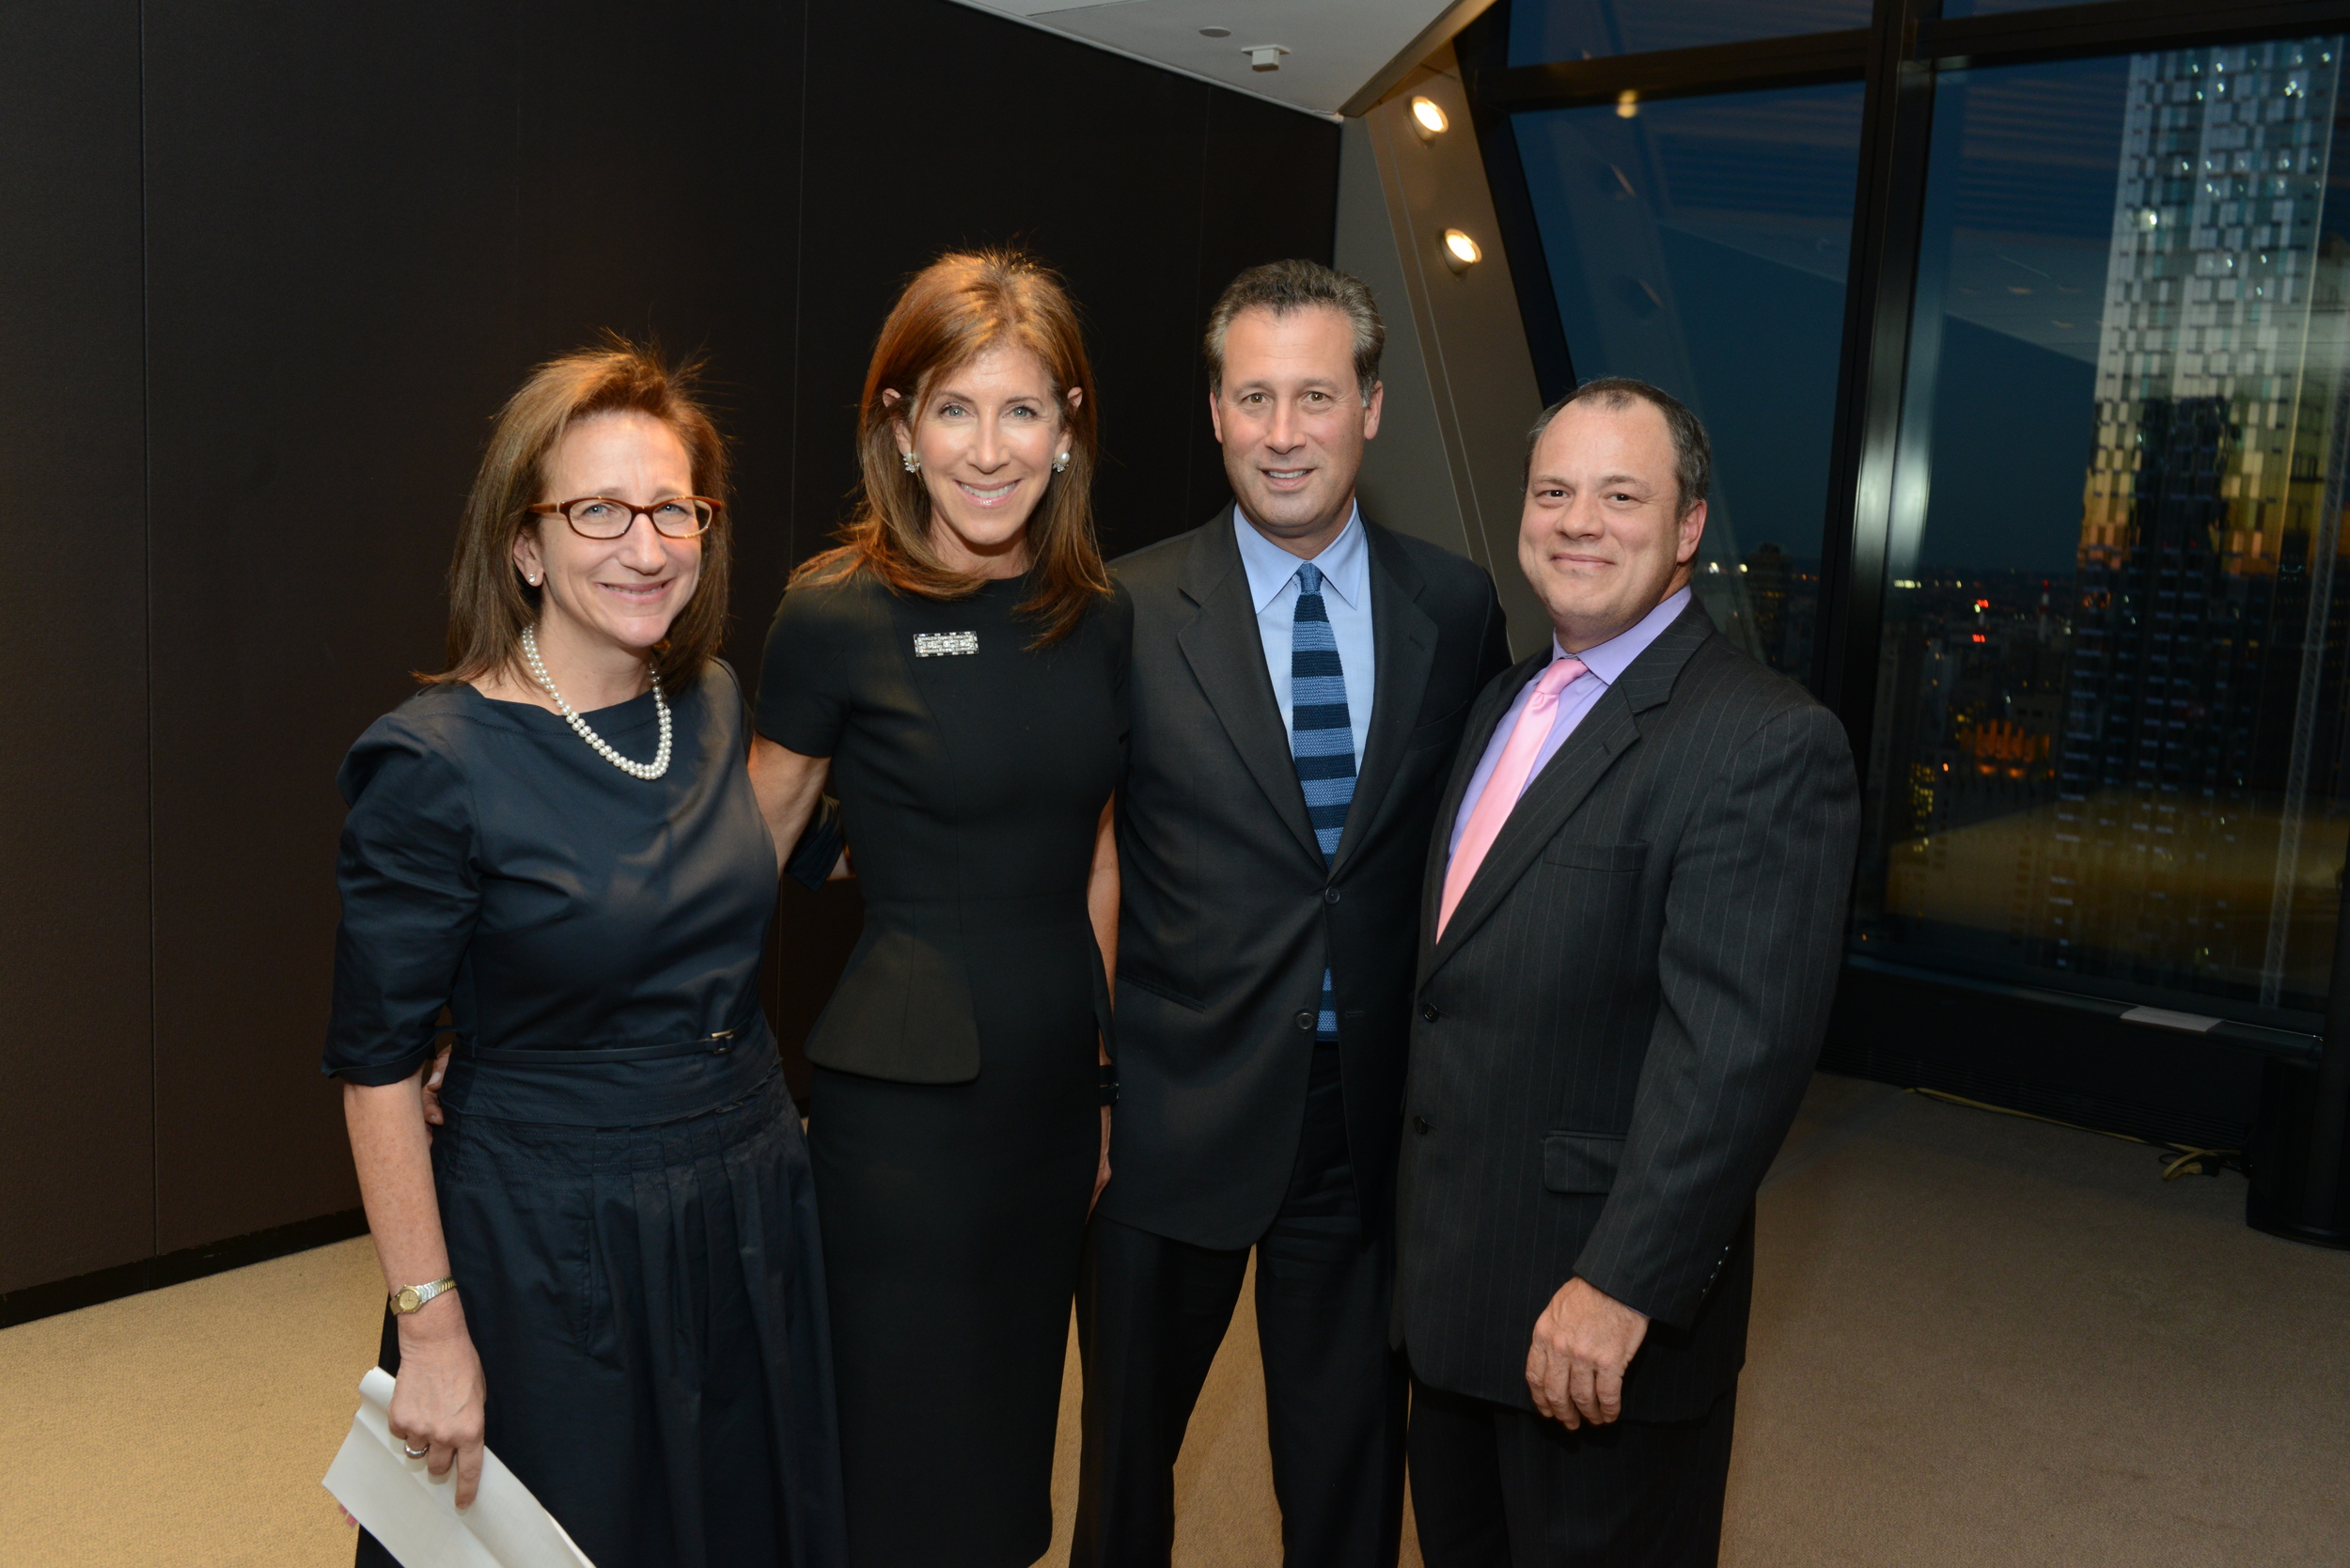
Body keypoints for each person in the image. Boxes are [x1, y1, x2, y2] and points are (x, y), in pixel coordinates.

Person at [326, 340, 848, 1568]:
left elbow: (758, 870)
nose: (646, 543)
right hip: (554, 1240)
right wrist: (434, 1332)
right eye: (599, 510)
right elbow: (376, 1069)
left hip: (742, 1198)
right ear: (527, 544)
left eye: (675, 508)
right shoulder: (431, 764)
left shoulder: (712, 699)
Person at [1075, 259, 1513, 1567]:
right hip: (1170, 1109)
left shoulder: (1455, 605)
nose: (1282, 433)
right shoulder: (1126, 608)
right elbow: (1081, 857)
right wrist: (1091, 1080)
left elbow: (1475, 853)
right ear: (1212, 411)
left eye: (1314, 396)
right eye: (1252, 397)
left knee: (1348, 1462)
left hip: (1368, 1121)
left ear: (1371, 406)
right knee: (1122, 1470)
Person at [1393, 377, 1859, 1566]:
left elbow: (1737, 1056)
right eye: (1553, 491)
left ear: (1687, 526)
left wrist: (1622, 1284)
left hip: (1597, 1321)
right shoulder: (1505, 700)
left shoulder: (1762, 740)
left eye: (1619, 494)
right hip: (1458, 1303)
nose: (1578, 521)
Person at [747, 249, 1127, 1568]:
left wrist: (1103, 1083)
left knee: (1009, 1447)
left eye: (1022, 410)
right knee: (895, 1450)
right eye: (953, 410)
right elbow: (755, 847)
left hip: (1046, 1105)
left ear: (1068, 431)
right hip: (895, 1117)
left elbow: (1095, 861)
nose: (987, 448)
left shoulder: (1101, 617)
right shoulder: (834, 610)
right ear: (899, 428)